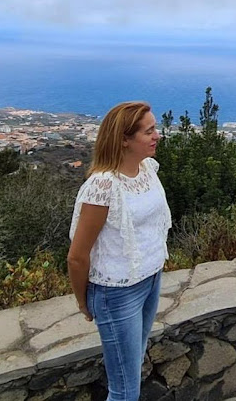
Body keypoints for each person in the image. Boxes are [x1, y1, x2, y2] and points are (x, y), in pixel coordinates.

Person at [67, 101, 172, 401]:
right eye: (148, 131)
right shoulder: (103, 186)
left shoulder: (146, 169)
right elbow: (77, 255)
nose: (157, 135)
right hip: (116, 293)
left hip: (150, 280)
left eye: (155, 129)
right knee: (124, 389)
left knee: (133, 368)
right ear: (124, 139)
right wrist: (83, 301)